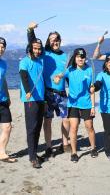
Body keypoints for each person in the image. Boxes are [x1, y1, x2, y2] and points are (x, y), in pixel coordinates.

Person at [27, 22, 70, 157]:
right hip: (49, 93)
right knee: (48, 120)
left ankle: (65, 143)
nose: (55, 42)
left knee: (66, 119)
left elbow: (69, 74)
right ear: (48, 42)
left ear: (60, 41)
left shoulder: (65, 56)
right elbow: (33, 43)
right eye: (52, 40)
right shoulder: (45, 53)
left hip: (62, 93)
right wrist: (30, 30)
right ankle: (49, 147)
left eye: (57, 39)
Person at [54, 48, 98, 162]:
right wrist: (57, 78)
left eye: (83, 57)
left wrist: (93, 106)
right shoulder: (70, 70)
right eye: (78, 57)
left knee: (90, 127)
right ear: (75, 58)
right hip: (73, 104)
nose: (81, 59)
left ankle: (93, 148)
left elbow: (92, 90)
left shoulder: (89, 70)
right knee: (74, 128)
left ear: (85, 58)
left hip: (87, 104)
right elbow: (59, 76)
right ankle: (74, 153)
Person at [19, 38, 45, 168]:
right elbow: (23, 76)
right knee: (31, 128)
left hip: (41, 98)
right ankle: (32, 157)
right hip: (31, 99)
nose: (38, 50)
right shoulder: (24, 61)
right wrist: (28, 90)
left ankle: (34, 153)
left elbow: (40, 45)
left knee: (38, 127)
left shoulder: (40, 60)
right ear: (30, 48)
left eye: (39, 48)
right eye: (35, 48)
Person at [0, 37, 17, 163]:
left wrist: (8, 96)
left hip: (2, 100)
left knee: (7, 126)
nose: (1, 48)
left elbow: (3, 80)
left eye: (3, 46)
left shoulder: (4, 64)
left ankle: (2, 153)